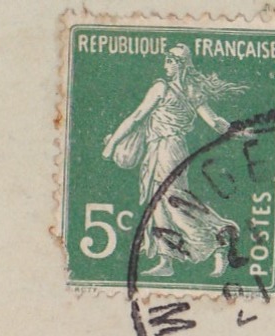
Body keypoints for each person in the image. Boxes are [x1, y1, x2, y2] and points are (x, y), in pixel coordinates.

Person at [102, 44, 245, 278]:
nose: (165, 65)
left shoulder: (163, 87)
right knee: (157, 202)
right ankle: (166, 259)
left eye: (169, 61)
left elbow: (137, 116)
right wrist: (234, 131)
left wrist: (111, 146)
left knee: (173, 200)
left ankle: (218, 238)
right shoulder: (191, 91)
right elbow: (215, 121)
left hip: (167, 149)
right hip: (162, 149)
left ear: (179, 64)